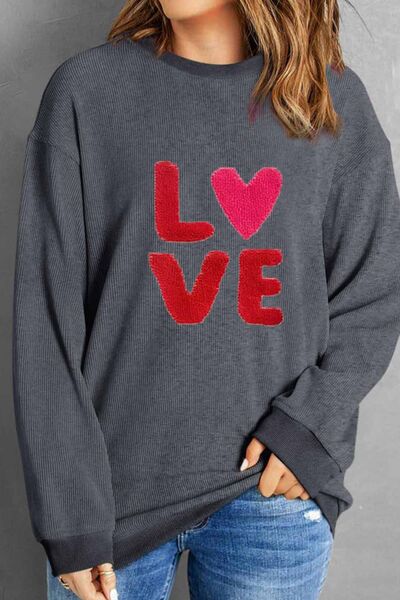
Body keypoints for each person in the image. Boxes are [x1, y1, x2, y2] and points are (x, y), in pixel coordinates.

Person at [12, 1, 400, 599]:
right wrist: (70, 514)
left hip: (268, 497)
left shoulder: (327, 99)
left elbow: (375, 285)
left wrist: (311, 428)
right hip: (110, 506)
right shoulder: (86, 93)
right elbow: (46, 319)